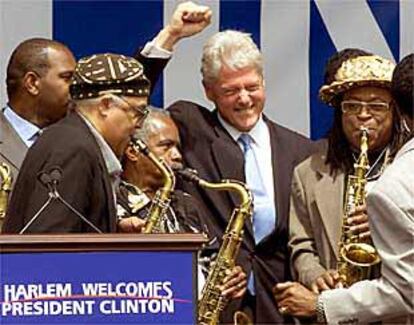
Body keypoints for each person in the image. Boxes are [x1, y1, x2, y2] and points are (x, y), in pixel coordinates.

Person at [0, 1, 212, 230]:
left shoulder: (75, 133)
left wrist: (113, 232)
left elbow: (124, 91)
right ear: (32, 83)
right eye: (67, 78)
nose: (76, 88)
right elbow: (50, 244)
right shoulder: (72, 145)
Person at [168, 30, 316, 323]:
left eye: (252, 86)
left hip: (281, 305)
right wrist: (169, 37)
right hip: (216, 303)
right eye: (230, 90)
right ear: (208, 91)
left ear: (263, 81)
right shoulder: (190, 129)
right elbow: (130, 99)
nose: (244, 99)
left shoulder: (301, 149)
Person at [274, 53, 414, 324]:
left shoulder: (402, 175)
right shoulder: (307, 171)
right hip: (338, 300)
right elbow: (301, 243)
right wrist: (315, 276)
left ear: (395, 110)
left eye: (376, 106)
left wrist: (384, 227)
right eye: (351, 106)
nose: (363, 116)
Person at [3, 53, 150, 233]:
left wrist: (115, 229)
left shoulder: (70, 138)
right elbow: (49, 242)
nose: (139, 124)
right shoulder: (73, 149)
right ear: (105, 105)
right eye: (138, 112)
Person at [117, 106, 248, 302]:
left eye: (177, 147)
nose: (177, 155)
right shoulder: (114, 203)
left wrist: (229, 278)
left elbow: (210, 259)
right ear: (133, 152)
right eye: (166, 146)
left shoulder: (186, 203)